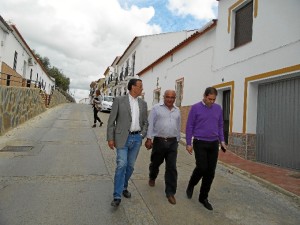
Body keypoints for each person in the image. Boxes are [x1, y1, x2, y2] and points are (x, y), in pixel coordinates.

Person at [107, 78, 148, 207]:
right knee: (121, 164)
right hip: (122, 138)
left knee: (130, 166)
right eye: (140, 86)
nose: (142, 88)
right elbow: (111, 121)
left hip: (136, 139)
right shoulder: (119, 101)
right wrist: (110, 138)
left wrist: (142, 135)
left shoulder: (143, 103)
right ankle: (117, 195)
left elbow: (146, 122)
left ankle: (124, 186)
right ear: (132, 87)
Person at [185, 87, 226, 211]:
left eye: (214, 99)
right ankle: (191, 184)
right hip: (199, 142)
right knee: (202, 167)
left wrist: (222, 141)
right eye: (209, 99)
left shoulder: (218, 108)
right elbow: (189, 126)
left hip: (213, 143)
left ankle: (203, 197)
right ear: (204, 96)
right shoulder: (195, 108)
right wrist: (188, 143)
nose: (211, 102)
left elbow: (220, 125)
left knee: (210, 172)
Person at [145, 90, 181, 205]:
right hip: (159, 141)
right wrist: (149, 139)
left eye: (172, 97)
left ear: (175, 98)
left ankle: (170, 192)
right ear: (163, 97)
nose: (170, 99)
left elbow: (178, 125)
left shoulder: (177, 110)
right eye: (167, 97)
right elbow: (150, 123)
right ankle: (152, 176)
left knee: (171, 167)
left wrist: (178, 140)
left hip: (172, 142)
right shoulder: (156, 108)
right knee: (155, 163)